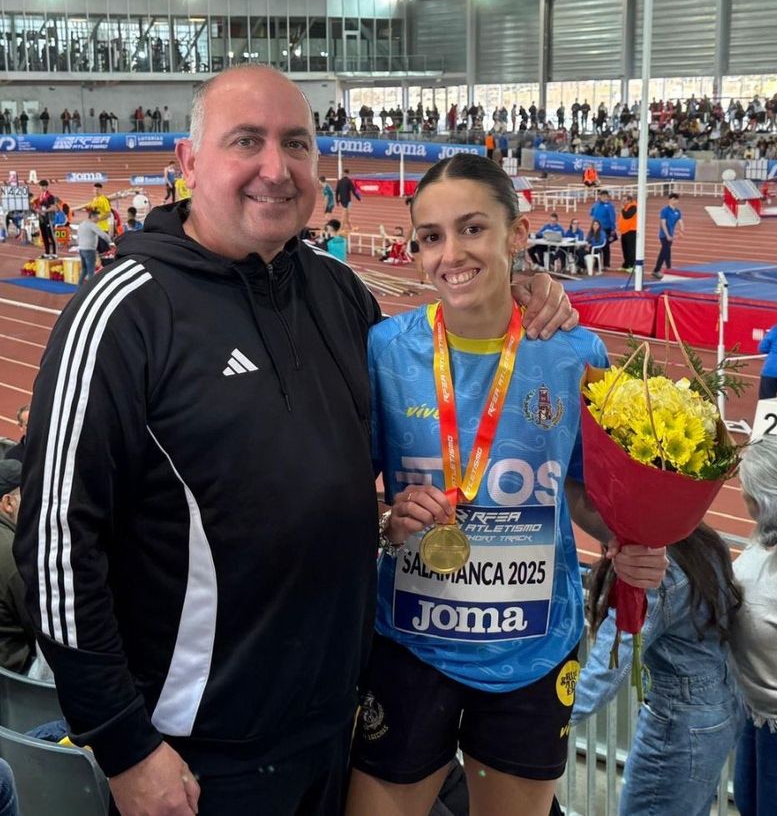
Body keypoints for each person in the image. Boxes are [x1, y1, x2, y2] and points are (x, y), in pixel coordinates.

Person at [16, 63, 576, 816]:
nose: (274, 169)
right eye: (246, 141)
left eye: (297, 144)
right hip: (198, 761)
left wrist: (524, 286)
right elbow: (54, 545)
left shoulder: (338, 293)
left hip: (332, 730)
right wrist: (123, 746)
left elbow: (421, 422)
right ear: (188, 162)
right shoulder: (122, 313)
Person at [347, 154, 667, 816]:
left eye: (472, 229)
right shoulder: (384, 351)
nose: (450, 253)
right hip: (411, 642)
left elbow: (582, 489)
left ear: (516, 235)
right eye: (431, 237)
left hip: (532, 646)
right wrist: (388, 520)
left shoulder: (575, 353)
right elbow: (354, 495)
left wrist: (629, 538)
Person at [571, 521, 744, 816]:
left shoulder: (652, 577)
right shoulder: (701, 541)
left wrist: (545, 721)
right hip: (717, 709)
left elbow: (606, 670)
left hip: (681, 725)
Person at [729, 436, 777, 816]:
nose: (741, 494)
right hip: (755, 714)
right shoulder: (759, 543)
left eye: (746, 486)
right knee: (748, 804)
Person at [0, 459, 37, 674]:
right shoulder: (13, 555)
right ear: (8, 503)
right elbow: (39, 628)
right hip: (13, 677)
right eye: (30, 496)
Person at [72, 207, 111, 279]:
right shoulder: (92, 225)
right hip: (89, 249)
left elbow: (78, 237)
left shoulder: (82, 224)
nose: (98, 219)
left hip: (82, 249)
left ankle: (81, 283)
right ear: (92, 217)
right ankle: (90, 284)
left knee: (84, 268)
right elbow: (102, 234)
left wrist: (80, 245)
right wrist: (111, 242)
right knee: (91, 269)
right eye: (97, 218)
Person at [652, 192, 682, 279]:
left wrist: (681, 231)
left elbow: (680, 222)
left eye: (676, 200)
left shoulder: (677, 211)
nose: (675, 201)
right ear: (670, 200)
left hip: (671, 234)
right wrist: (667, 235)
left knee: (667, 251)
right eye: (673, 199)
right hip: (664, 235)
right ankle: (657, 270)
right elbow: (663, 224)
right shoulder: (664, 210)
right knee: (665, 252)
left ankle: (668, 268)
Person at [589, 190, 617, 270]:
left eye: (605, 196)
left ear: (608, 197)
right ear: (600, 196)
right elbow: (591, 213)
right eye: (602, 196)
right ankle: (596, 264)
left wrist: (613, 230)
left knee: (605, 247)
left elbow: (612, 218)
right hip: (596, 229)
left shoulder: (609, 206)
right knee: (595, 245)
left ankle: (606, 264)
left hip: (606, 229)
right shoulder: (596, 205)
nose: (604, 197)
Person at [617, 192, 639, 271]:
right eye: (622, 200)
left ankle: (633, 266)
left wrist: (622, 209)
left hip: (631, 231)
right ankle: (626, 265)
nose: (623, 202)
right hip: (624, 231)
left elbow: (627, 216)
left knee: (631, 249)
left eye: (624, 200)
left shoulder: (633, 206)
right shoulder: (626, 207)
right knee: (625, 249)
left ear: (629, 200)